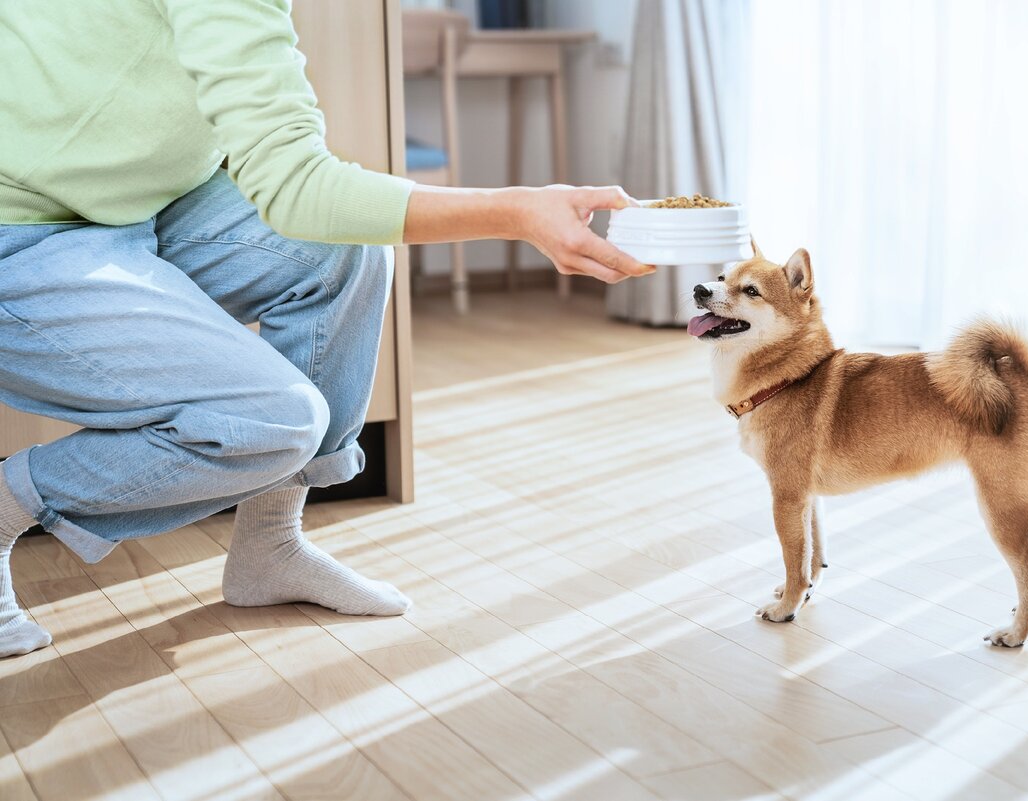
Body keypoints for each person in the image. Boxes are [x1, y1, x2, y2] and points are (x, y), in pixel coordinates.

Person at [0, 0, 652, 659]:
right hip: (19, 233)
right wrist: (518, 211)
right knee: (274, 420)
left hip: (137, 207)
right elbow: (298, 188)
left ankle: (270, 547)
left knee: (344, 251)